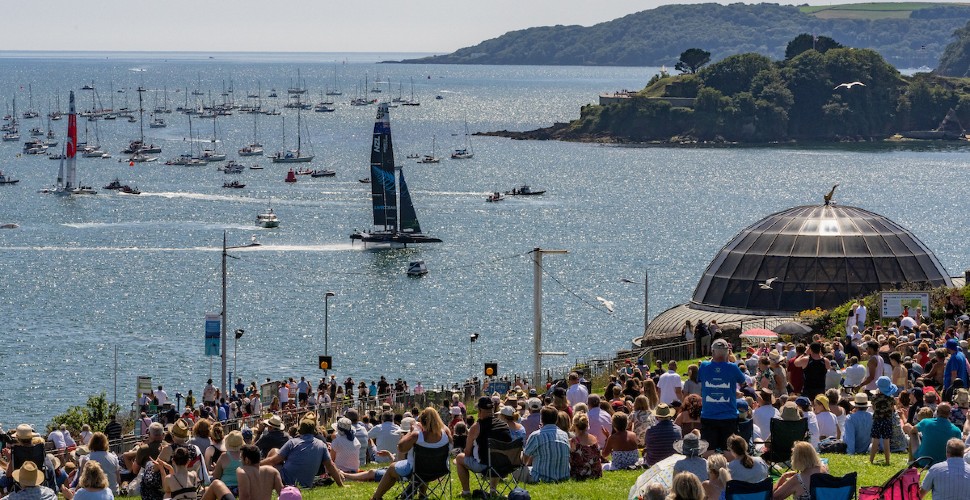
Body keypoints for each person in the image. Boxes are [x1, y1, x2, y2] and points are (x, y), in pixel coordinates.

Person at [347, 407, 450, 500]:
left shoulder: (417, 435)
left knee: (392, 468)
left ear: (421, 422)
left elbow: (401, 447)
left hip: (417, 471)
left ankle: (376, 497)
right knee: (426, 463)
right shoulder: (446, 433)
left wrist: (412, 431)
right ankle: (422, 495)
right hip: (440, 470)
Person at [259, 415, 344, 488]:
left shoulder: (293, 442)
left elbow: (274, 460)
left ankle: (258, 480)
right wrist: (341, 485)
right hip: (307, 483)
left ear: (300, 430)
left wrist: (256, 464)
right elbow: (330, 465)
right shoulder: (321, 445)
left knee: (274, 451)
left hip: (286, 481)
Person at [456, 397, 512, 497]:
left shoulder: (476, 427)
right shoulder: (504, 425)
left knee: (459, 458)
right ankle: (493, 490)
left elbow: (467, 452)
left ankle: (466, 492)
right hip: (505, 465)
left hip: (485, 466)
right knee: (494, 458)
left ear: (480, 410)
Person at [700, 339, 747, 452]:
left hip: (709, 415)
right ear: (728, 352)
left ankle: (710, 469)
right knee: (729, 451)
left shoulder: (704, 366)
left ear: (712, 352)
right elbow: (743, 382)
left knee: (708, 451)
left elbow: (700, 379)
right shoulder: (733, 368)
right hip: (728, 416)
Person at [522, 406, 570, 483]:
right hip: (563, 477)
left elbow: (525, 458)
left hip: (541, 477)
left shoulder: (536, 435)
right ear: (556, 419)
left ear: (541, 419)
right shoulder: (564, 435)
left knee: (516, 471)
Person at [870, 376, 897, 465]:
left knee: (875, 440)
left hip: (877, 420)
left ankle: (871, 459)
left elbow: (874, 408)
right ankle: (887, 461)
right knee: (886, 441)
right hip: (887, 420)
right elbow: (893, 409)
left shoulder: (874, 397)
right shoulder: (891, 398)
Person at [568, 412, 601, 481]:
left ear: (574, 425)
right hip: (595, 473)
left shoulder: (573, 441)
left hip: (580, 474)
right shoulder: (594, 439)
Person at [212, 430, 244, 495]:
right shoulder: (245, 455)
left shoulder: (224, 456)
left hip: (225, 489)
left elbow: (216, 476)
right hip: (241, 488)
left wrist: (215, 469)